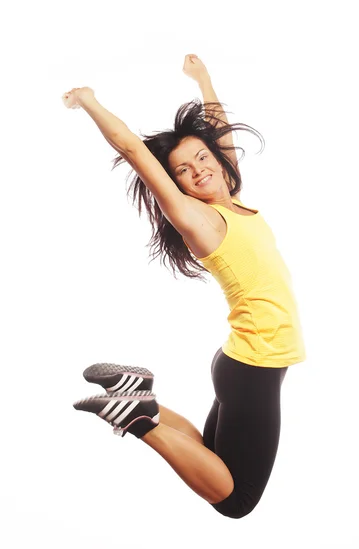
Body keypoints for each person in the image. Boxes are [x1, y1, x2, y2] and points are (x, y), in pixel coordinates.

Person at [62, 54, 306, 519]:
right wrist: (90, 101)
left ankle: (138, 395)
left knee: (212, 460)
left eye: (203, 158)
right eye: (183, 171)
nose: (199, 170)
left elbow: (221, 136)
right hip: (254, 365)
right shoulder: (200, 221)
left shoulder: (232, 200)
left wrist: (203, 79)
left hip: (247, 359)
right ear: (179, 187)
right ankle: (137, 421)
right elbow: (134, 152)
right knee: (234, 499)